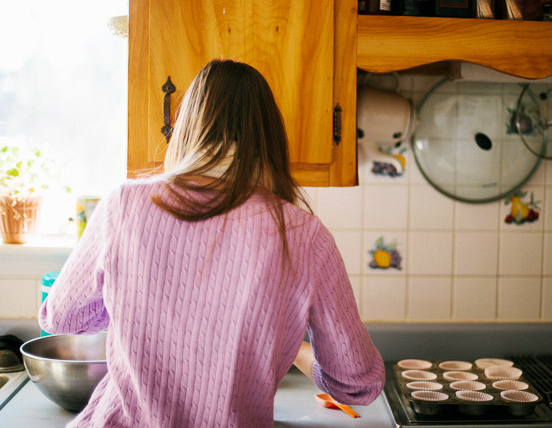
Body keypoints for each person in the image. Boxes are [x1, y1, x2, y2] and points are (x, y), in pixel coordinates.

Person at [39, 59, 385, 427]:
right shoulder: (302, 235)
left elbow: (61, 317)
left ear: (186, 127)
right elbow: (358, 385)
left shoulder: (124, 205)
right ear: (269, 137)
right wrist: (298, 350)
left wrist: (137, 301)